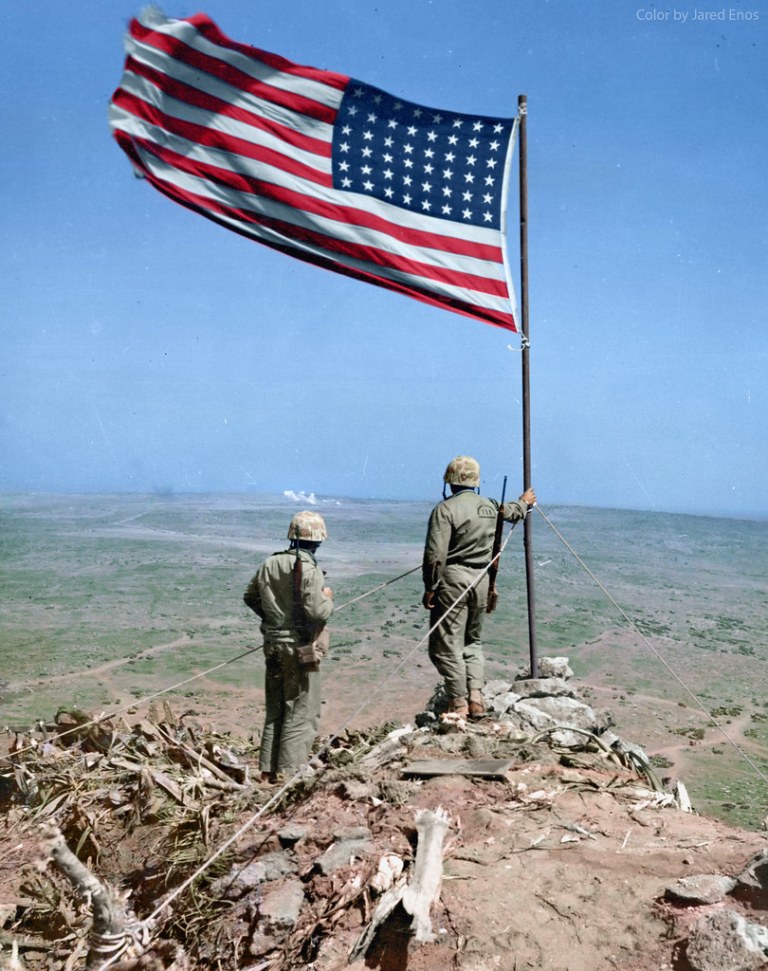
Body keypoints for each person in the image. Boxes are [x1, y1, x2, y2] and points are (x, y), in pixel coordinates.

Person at [422, 456, 536, 719]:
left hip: (454, 581)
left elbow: (435, 556)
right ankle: (476, 699)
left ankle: (458, 703)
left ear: (449, 482)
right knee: (472, 641)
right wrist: (524, 501)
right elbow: (514, 512)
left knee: (446, 645)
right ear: (476, 482)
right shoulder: (491, 506)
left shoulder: (445, 509)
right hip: (482, 581)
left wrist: (431, 586)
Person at [243, 510, 333, 782]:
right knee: (301, 710)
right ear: (317, 540)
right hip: (300, 649)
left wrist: (274, 620)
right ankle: (288, 775)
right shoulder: (310, 568)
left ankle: (267, 771)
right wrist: (328, 598)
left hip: (272, 645)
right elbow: (317, 613)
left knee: (276, 709)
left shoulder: (269, 563)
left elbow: (250, 597)